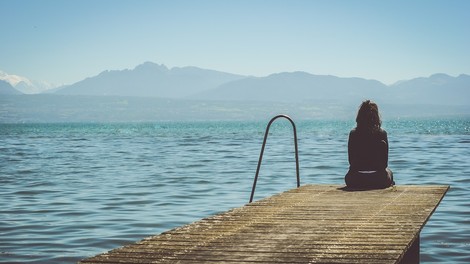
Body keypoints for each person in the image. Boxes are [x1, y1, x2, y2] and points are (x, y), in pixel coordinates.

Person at [345, 100, 394, 189]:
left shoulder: (353, 134)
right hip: (378, 179)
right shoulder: (382, 134)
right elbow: (384, 164)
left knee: (348, 175)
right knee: (390, 172)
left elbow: (351, 162)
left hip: (356, 179)